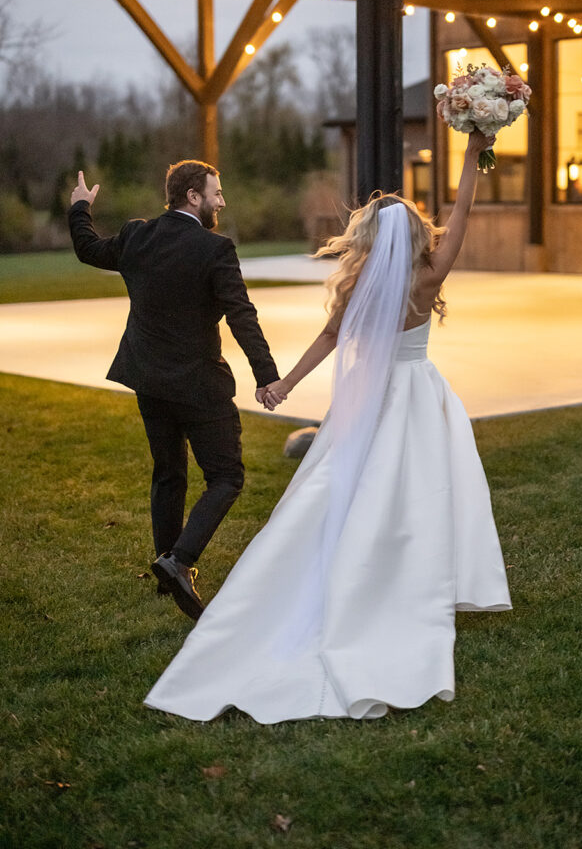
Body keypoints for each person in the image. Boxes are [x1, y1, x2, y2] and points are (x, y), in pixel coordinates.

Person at [145, 131, 512, 724]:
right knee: (424, 490)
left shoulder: (362, 283)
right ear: (416, 234)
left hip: (370, 403)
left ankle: (365, 572)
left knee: (352, 488)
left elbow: (329, 338)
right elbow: (462, 211)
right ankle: (412, 577)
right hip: (421, 396)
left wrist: (283, 385)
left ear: (371, 237)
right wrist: (472, 157)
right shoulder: (430, 275)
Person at [68, 160, 283, 622]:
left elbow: (87, 249)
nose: (221, 201)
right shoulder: (215, 248)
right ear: (192, 196)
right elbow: (241, 315)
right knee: (226, 476)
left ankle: (168, 569)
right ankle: (178, 562)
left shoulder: (136, 236)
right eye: (216, 193)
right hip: (198, 385)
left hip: (148, 379)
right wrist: (267, 376)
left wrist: (80, 208)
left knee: (169, 473)